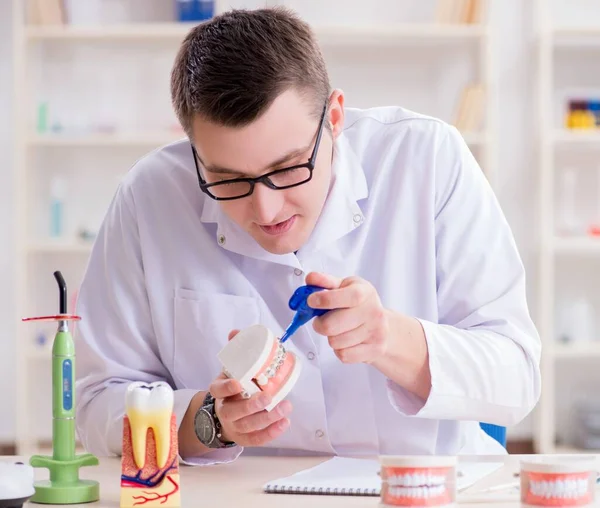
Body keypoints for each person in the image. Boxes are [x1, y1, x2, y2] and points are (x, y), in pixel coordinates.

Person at [74, 6, 541, 466]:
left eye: (289, 167)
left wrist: (390, 339)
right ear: (193, 146)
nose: (265, 209)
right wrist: (209, 420)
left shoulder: (427, 159)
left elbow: (516, 379)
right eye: (228, 179)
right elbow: (96, 406)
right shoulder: (150, 195)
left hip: (420, 489)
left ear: (334, 118)